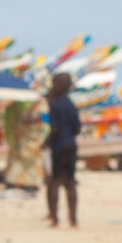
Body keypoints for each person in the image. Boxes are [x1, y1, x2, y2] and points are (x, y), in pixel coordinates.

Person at [44, 71, 83, 226]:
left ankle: (54, 218)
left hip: (58, 147)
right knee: (70, 183)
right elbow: (77, 129)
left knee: (54, 182)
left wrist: (46, 142)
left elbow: (54, 128)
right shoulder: (71, 105)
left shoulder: (54, 105)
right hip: (71, 146)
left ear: (58, 85)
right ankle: (73, 218)